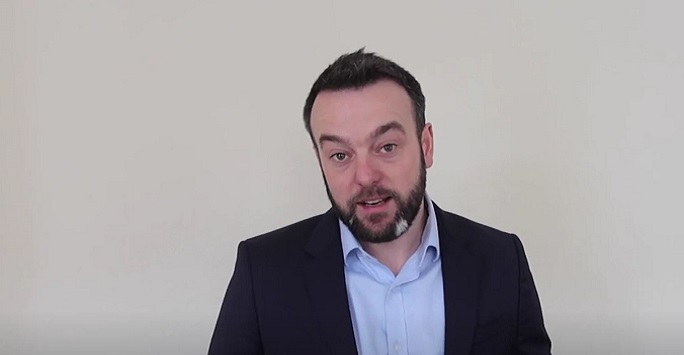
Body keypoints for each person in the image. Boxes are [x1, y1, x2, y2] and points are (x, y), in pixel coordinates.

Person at [208, 49, 551, 355]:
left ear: (425, 145)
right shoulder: (263, 271)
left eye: (386, 147)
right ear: (321, 162)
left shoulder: (502, 260)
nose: (365, 176)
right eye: (340, 154)